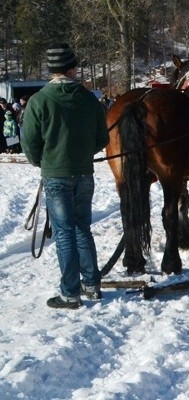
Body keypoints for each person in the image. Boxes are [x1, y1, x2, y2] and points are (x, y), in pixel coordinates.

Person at [22, 44, 109, 309]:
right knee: (82, 228)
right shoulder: (88, 99)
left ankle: (70, 292)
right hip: (84, 173)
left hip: (56, 175)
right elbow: (102, 138)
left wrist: (44, 162)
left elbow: (30, 143)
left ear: (51, 70)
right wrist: (82, 154)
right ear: (71, 69)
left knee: (64, 233)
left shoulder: (39, 100)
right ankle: (92, 284)